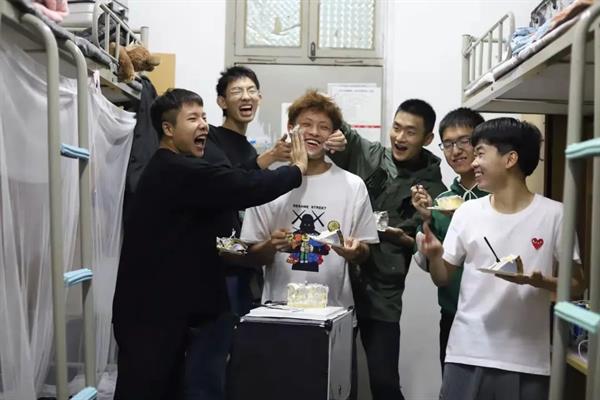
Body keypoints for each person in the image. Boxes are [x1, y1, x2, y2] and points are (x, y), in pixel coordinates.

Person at [112, 88, 309, 400]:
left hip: (169, 313)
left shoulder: (185, 170)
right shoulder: (175, 169)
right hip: (149, 317)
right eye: (193, 118)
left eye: (204, 117)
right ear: (168, 129)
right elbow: (240, 186)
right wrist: (296, 170)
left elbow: (226, 185)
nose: (203, 124)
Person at [420, 118, 585, 400]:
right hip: (466, 352)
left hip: (527, 359)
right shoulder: (467, 213)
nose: (473, 162)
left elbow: (578, 284)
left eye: (480, 153)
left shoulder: (556, 214)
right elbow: (442, 277)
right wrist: (434, 256)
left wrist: (542, 282)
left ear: (510, 159)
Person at [240, 90, 379, 400]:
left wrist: (354, 251)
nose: (314, 132)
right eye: (306, 124)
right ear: (291, 128)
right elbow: (249, 254)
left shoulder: (352, 186)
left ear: (334, 135)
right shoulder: (267, 184)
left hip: (336, 316)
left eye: (323, 126)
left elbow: (365, 252)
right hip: (278, 316)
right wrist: (271, 246)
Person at [203, 66, 346, 315]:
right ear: (221, 101)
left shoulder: (248, 149)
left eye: (252, 91)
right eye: (237, 91)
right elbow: (229, 186)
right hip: (218, 259)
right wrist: (283, 163)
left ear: (260, 97)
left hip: (243, 264)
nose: (246, 97)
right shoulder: (211, 138)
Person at [328, 99, 446, 400]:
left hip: (383, 292)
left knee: (383, 382)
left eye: (410, 132)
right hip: (337, 280)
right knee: (330, 377)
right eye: (396, 128)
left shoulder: (434, 189)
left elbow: (426, 248)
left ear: (427, 138)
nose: (400, 137)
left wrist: (401, 235)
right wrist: (332, 125)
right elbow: (341, 129)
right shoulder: (370, 155)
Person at [410, 107, 486, 372]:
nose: (456, 151)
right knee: (453, 385)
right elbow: (428, 263)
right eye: (448, 144)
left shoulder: (497, 197)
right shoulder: (442, 201)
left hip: (491, 315)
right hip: (453, 313)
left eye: (464, 141)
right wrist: (426, 219)